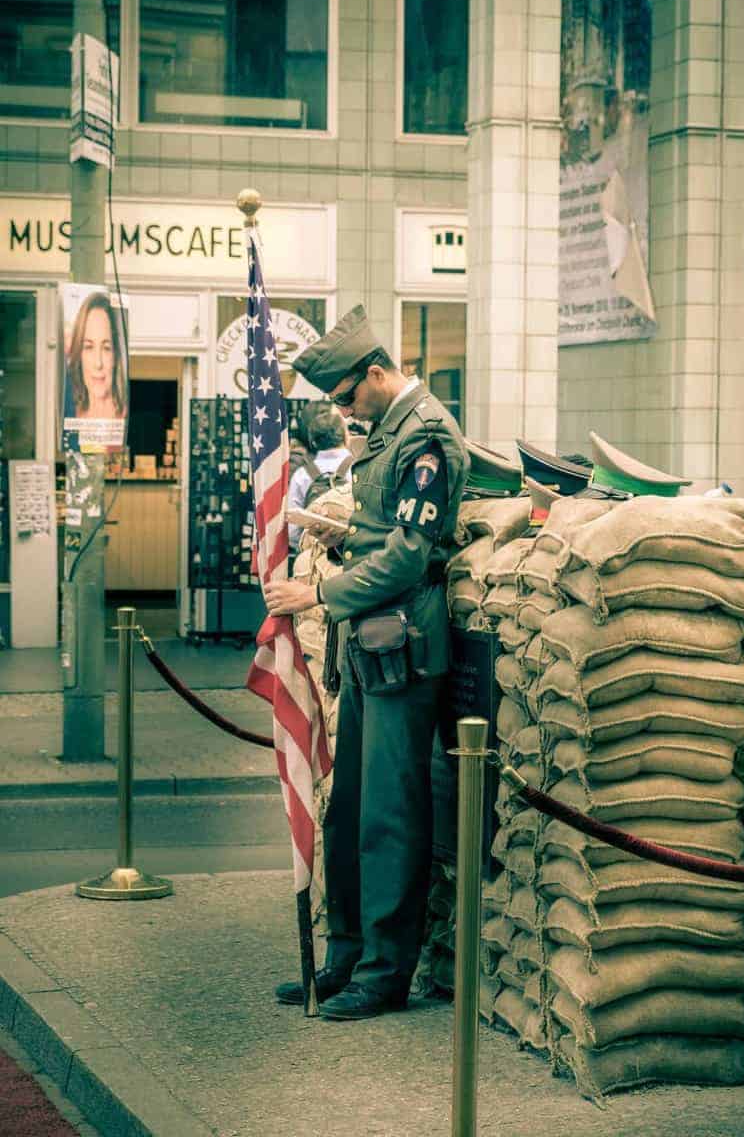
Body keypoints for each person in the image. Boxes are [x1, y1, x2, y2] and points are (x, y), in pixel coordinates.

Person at [265, 303, 469, 1021]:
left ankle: (385, 973)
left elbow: (411, 554)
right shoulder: (388, 432)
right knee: (349, 808)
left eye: (349, 396)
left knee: (390, 814)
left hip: (402, 643)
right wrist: (343, 536)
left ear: (378, 372)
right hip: (368, 640)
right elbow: (384, 532)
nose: (345, 411)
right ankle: (346, 956)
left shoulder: (427, 436)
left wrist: (319, 592)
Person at [287, 408, 352, 553]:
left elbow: (292, 532)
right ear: (346, 436)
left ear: (313, 443)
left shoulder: (302, 475)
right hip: (351, 556)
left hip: (312, 558)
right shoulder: (358, 469)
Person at [66, 292, 127, 421]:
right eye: (89, 347)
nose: (98, 363)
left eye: (106, 348)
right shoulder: (69, 415)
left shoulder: (128, 418)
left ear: (115, 355)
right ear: (79, 355)